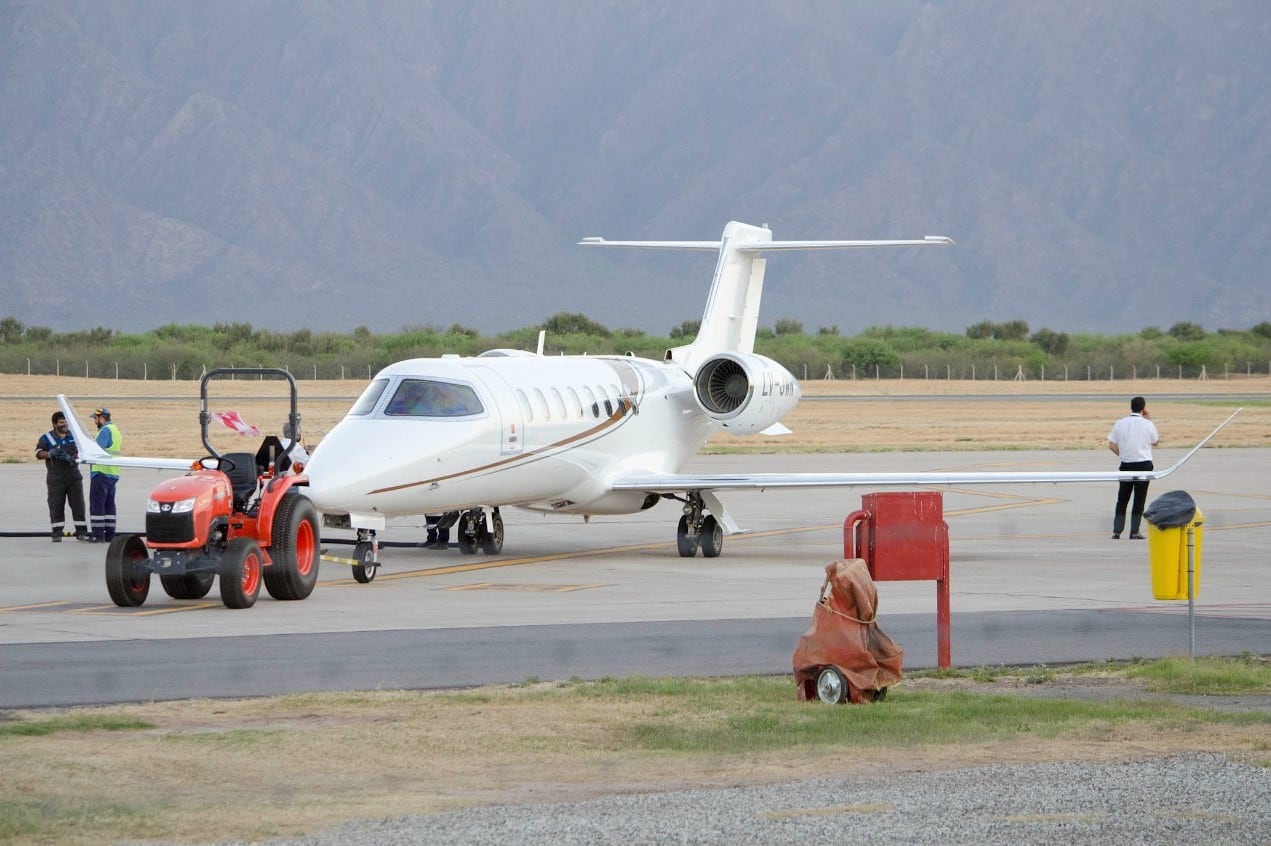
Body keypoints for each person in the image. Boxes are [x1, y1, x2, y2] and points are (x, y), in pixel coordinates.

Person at [1107, 396, 1159, 540]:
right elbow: (1156, 442)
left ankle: (1117, 530)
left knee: (1122, 498)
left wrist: (1123, 454)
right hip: (1143, 464)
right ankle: (1134, 531)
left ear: (1131, 407)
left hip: (1126, 464)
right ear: (1143, 408)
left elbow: (1111, 445)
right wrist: (1149, 419)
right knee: (1139, 499)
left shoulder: (1120, 423)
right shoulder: (1147, 424)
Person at [35, 411, 89, 542]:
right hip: (55, 479)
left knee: (78, 506)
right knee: (56, 505)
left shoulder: (75, 436)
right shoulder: (46, 438)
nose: (64, 424)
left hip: (74, 478)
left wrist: (76, 456)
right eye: (61, 422)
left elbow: (85, 452)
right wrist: (50, 453)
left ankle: (81, 532)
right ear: (54, 424)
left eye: (66, 422)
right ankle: (57, 533)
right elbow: (38, 453)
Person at [89, 407, 123, 542]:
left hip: (101, 472)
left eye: (95, 419)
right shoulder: (115, 430)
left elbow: (96, 451)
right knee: (109, 505)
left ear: (101, 418)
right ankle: (110, 534)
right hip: (113, 473)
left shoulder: (104, 431)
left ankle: (98, 535)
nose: (94, 422)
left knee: (97, 505)